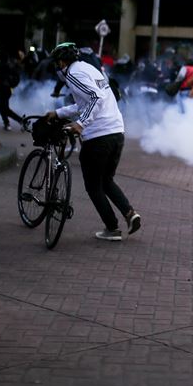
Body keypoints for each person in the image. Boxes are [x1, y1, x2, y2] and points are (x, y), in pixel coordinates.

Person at [47, 42, 141, 241]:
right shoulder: (89, 69)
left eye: (57, 63)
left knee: (93, 186)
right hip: (116, 132)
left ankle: (112, 228)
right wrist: (58, 113)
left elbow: (96, 98)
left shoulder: (73, 73)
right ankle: (130, 214)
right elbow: (85, 102)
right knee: (106, 180)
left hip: (98, 136)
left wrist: (81, 123)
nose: (58, 67)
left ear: (62, 61)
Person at [0, 51, 23, 131]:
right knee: (1, 107)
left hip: (4, 89)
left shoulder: (3, 66)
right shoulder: (8, 65)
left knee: (3, 108)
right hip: (5, 89)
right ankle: (8, 123)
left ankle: (21, 121)